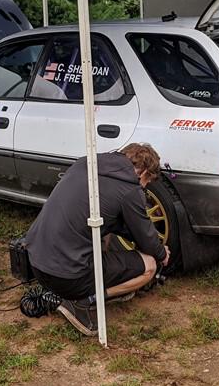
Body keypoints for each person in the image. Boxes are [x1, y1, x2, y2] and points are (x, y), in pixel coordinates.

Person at [24, 142, 170, 336]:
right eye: (148, 182)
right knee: (150, 265)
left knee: (101, 227)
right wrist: (161, 253)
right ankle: (84, 300)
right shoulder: (130, 189)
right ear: (144, 173)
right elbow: (145, 236)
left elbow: (117, 223)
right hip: (68, 277)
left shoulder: (85, 164)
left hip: (35, 263)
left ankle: (81, 287)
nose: (145, 186)